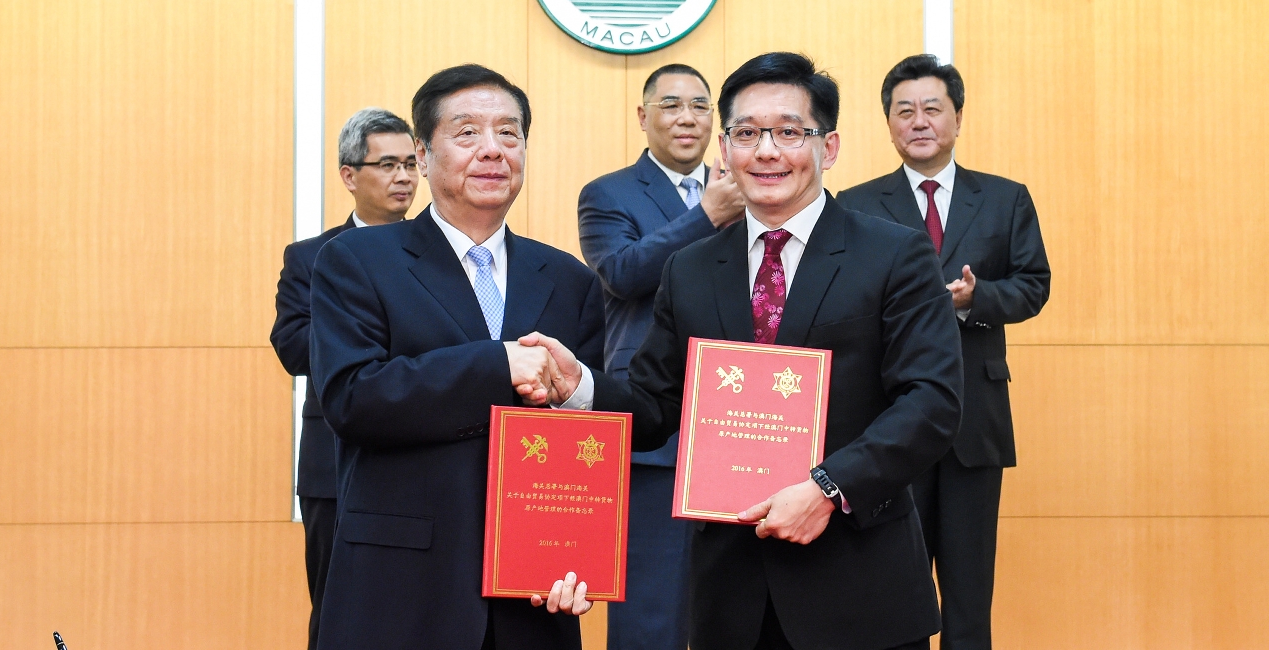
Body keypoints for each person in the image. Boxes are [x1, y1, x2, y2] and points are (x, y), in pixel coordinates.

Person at [541, 52, 964, 650]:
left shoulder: (894, 254)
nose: (766, 151)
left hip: (859, 583)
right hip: (731, 592)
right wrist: (578, 386)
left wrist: (828, 488)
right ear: (725, 149)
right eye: (745, 133)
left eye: (790, 131)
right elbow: (656, 403)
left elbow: (931, 401)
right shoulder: (689, 269)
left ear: (830, 146)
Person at [309, 64, 604, 650]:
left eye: (509, 134)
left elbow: (587, 444)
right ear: (422, 154)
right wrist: (496, 367)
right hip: (401, 587)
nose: (492, 150)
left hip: (533, 593)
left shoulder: (569, 280)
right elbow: (353, 398)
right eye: (467, 133)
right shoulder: (358, 260)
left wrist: (581, 554)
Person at [837, 54, 1050, 650]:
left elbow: (1034, 285)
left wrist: (974, 299)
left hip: (972, 421)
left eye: (933, 108)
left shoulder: (1006, 199)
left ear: (958, 117)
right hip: (884, 418)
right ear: (888, 123)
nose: (919, 121)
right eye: (904, 110)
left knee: (967, 591)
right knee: (892, 589)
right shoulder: (853, 204)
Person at [577, 64, 744, 650]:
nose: (687, 117)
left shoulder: (754, 182)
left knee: (735, 598)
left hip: (742, 415)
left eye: (700, 106)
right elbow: (622, 274)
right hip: (655, 421)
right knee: (652, 604)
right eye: (671, 105)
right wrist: (709, 216)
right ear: (643, 117)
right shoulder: (608, 193)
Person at [269, 107, 417, 650]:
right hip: (335, 464)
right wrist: (371, 333)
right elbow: (290, 345)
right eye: (387, 165)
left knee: (422, 610)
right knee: (337, 612)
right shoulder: (312, 258)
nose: (403, 177)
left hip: (426, 458)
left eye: (410, 163)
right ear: (349, 175)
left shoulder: (450, 256)